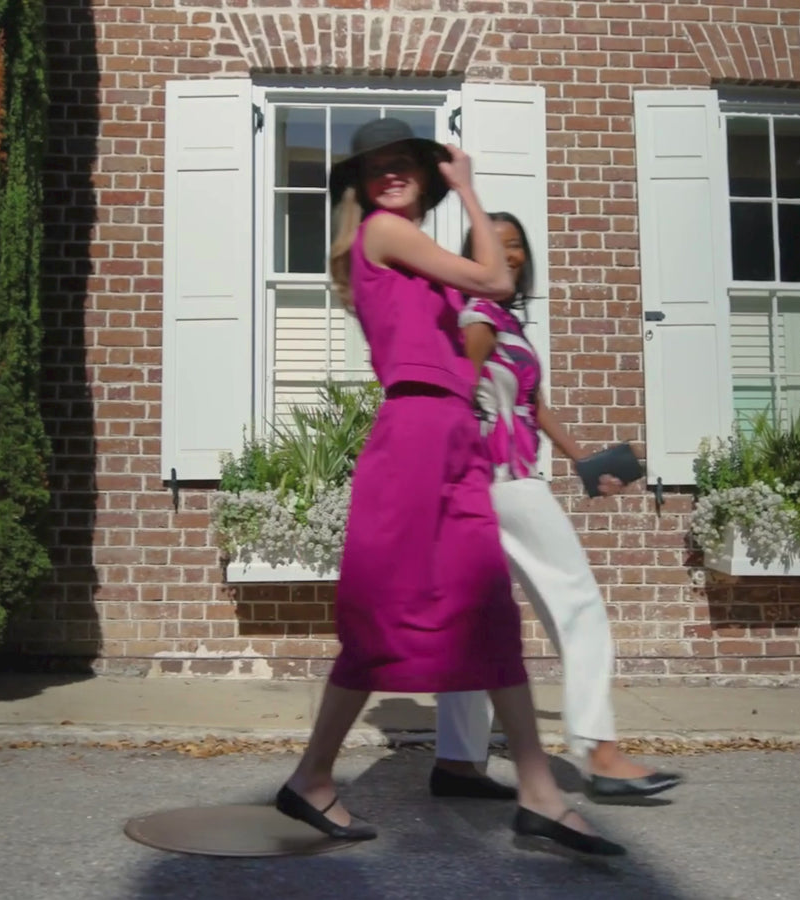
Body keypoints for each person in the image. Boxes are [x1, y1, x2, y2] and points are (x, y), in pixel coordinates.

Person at [272, 118, 624, 857]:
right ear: (361, 184)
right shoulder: (385, 232)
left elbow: (483, 324)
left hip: (455, 439)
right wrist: (467, 188)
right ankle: (312, 776)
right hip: (414, 437)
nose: (391, 173)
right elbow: (496, 279)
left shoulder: (417, 259)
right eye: (377, 166)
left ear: (420, 175)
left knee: (489, 611)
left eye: (405, 162)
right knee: (381, 615)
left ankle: (538, 791)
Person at [427, 213, 684, 804]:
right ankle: (599, 751)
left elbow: (534, 405)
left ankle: (457, 763)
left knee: (474, 623)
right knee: (578, 605)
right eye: (494, 245)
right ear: (472, 258)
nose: (509, 254)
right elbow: (455, 394)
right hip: (505, 481)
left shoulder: (504, 321)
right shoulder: (478, 316)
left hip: (485, 484)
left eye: (516, 245)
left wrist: (584, 460)